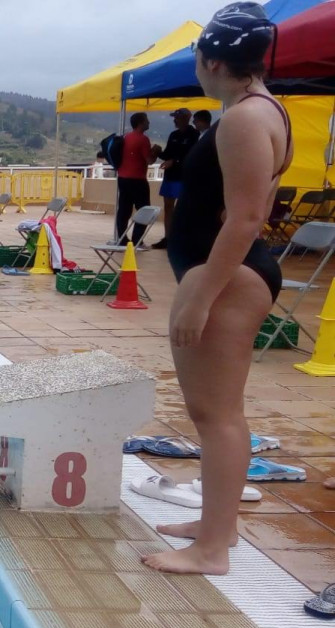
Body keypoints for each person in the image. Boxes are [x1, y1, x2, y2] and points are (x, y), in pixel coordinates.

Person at [143, 2, 292, 576]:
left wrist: (203, 292)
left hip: (227, 276)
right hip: (227, 272)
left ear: (209, 60)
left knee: (216, 414)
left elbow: (249, 216)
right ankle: (217, 526)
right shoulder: (258, 108)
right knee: (218, 411)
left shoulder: (249, 118)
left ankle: (211, 552)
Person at [151, 108, 202, 250]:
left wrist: (175, 161)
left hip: (185, 176)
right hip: (170, 176)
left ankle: (184, 237)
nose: (175, 120)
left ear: (187, 118)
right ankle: (168, 237)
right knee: (168, 207)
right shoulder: (173, 135)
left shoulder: (194, 134)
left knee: (185, 207)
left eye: (177, 117)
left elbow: (192, 155)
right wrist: (158, 152)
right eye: (174, 117)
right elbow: (168, 154)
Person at [115, 112, 162, 245]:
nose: (149, 123)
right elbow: (149, 161)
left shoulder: (126, 137)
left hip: (123, 178)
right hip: (137, 179)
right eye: (147, 120)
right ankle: (137, 240)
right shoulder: (143, 139)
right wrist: (156, 152)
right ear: (141, 123)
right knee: (144, 209)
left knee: (124, 209)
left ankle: (122, 238)